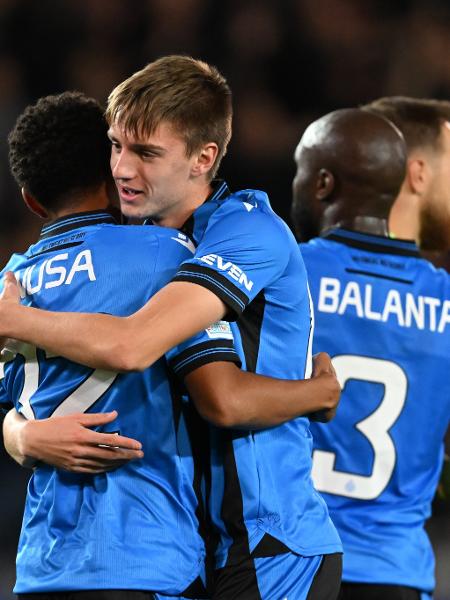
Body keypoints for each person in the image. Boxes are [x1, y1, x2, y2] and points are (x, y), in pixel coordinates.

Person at [0, 55, 343, 599]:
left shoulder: (244, 231)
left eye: (146, 153)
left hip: (267, 539)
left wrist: (14, 318)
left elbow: (153, 358)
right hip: (198, 545)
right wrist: (21, 433)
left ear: (204, 158)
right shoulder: (150, 244)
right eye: (116, 145)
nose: (121, 169)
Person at [291, 106, 450, 600]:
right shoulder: (443, 298)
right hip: (393, 570)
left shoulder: (287, 272)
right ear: (413, 171)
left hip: (291, 559)